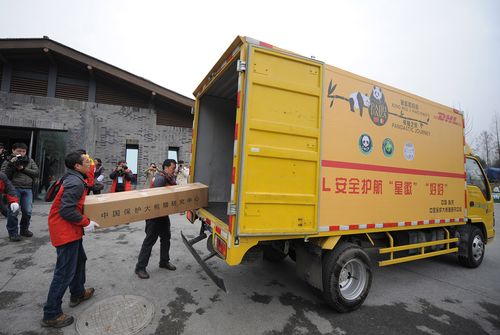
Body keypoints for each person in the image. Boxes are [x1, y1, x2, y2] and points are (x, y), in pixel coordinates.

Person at [41, 151, 100, 328]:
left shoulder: (73, 177)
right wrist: (86, 222)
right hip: (65, 230)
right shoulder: (75, 182)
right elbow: (66, 210)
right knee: (64, 272)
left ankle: (78, 292)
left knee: (80, 260)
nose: (90, 163)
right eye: (86, 161)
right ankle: (51, 314)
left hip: (70, 229)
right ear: (77, 166)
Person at [135, 159, 177, 279]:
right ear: (166, 167)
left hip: (163, 214)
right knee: (149, 240)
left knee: (166, 238)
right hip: (154, 215)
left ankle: (164, 261)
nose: (174, 171)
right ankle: (140, 268)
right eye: (173, 168)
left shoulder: (168, 178)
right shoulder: (160, 179)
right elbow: (156, 197)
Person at [1, 142, 39, 241]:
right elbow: (4, 176)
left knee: (27, 211)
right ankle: (13, 233)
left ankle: (24, 229)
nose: (21, 153)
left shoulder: (30, 160)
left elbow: (36, 173)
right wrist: (11, 165)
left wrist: (23, 169)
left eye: (23, 151)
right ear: (13, 151)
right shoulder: (7, 161)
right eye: (19, 151)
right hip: (14, 189)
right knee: (13, 211)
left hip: (28, 189)